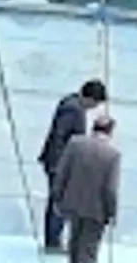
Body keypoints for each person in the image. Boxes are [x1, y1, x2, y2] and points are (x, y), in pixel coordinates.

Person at [50, 107, 121, 263]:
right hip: (96, 210)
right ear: (110, 131)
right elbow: (110, 189)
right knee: (89, 250)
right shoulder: (112, 155)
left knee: (75, 239)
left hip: (72, 203)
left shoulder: (75, 144)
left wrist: (57, 196)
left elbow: (62, 172)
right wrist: (111, 212)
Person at [35, 76, 107, 249]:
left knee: (57, 202)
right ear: (90, 98)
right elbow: (60, 137)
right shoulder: (73, 110)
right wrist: (62, 166)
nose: (94, 108)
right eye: (96, 103)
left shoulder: (70, 102)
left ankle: (54, 238)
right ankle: (53, 241)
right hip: (58, 164)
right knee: (59, 203)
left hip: (57, 161)